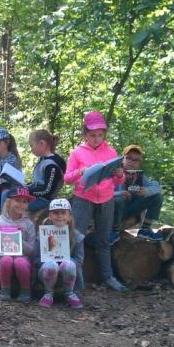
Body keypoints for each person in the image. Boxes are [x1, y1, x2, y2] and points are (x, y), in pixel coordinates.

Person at [64, 111, 128, 293]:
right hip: (83, 199)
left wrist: (119, 175)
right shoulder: (77, 153)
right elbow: (67, 178)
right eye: (92, 135)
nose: (97, 138)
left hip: (107, 199)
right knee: (76, 238)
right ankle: (72, 278)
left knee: (103, 240)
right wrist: (81, 172)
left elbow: (118, 181)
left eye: (100, 135)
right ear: (85, 134)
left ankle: (108, 277)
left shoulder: (111, 151)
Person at [0, 186, 37, 303]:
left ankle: (25, 290)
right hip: (3, 258)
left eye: (25, 201)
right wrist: (1, 237)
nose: (21, 204)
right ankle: (5, 289)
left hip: (23, 259)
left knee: (20, 261)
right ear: (9, 202)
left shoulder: (28, 224)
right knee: (6, 260)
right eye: (17, 200)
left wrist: (19, 238)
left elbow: (32, 250)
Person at [34, 199, 85, 308]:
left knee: (69, 264)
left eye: (63, 213)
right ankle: (48, 294)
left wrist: (63, 261)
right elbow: (36, 259)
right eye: (56, 213)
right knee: (51, 265)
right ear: (50, 216)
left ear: (69, 216)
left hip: (67, 273)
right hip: (46, 272)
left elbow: (79, 260)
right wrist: (48, 259)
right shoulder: (42, 235)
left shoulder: (77, 237)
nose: (60, 216)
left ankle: (69, 294)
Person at [110, 145, 164, 243]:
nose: (131, 161)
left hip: (130, 209)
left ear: (139, 163)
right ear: (122, 159)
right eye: (128, 158)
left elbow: (157, 188)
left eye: (135, 160)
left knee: (157, 197)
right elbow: (102, 192)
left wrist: (146, 191)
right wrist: (118, 193)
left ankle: (145, 230)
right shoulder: (113, 173)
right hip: (112, 211)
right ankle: (114, 232)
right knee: (118, 200)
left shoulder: (139, 176)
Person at [26, 129, 66, 213]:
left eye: (31, 145)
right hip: (38, 197)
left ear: (42, 143)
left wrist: (28, 192)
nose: (31, 149)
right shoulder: (43, 159)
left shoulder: (51, 164)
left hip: (45, 201)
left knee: (17, 206)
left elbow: (47, 191)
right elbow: (38, 182)